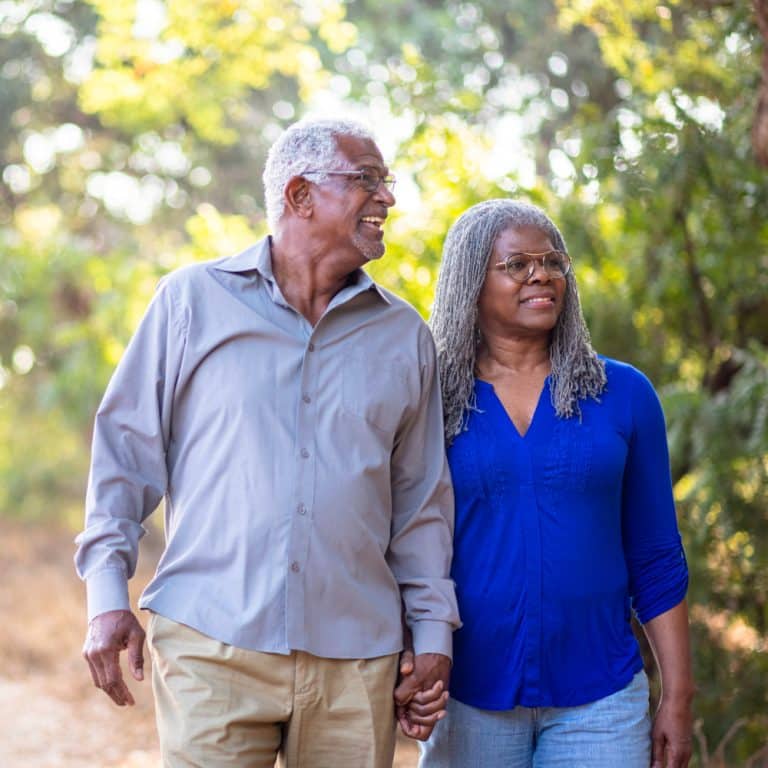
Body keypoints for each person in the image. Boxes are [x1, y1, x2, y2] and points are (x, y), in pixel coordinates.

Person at [74, 118, 459, 768]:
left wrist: (430, 634)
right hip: (210, 642)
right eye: (367, 180)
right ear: (300, 195)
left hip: (356, 658)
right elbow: (123, 458)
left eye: (385, 182)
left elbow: (419, 504)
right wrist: (106, 598)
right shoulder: (191, 302)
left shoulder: (404, 336)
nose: (387, 198)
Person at [419, 199, 694, 768]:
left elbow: (656, 555)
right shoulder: (430, 401)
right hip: (467, 698)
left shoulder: (623, 394)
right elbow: (403, 545)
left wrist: (678, 696)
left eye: (552, 261)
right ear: (472, 281)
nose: (540, 274)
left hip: (602, 703)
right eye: (516, 264)